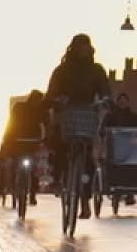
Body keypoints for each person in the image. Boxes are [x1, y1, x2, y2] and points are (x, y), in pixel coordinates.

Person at [44, 35, 114, 217]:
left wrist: (105, 100)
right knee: (61, 146)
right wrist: (55, 99)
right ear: (73, 48)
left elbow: (105, 89)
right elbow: (52, 90)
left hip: (88, 113)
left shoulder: (96, 70)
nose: (83, 49)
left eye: (86, 46)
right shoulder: (62, 70)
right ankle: (59, 178)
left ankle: (84, 199)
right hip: (67, 112)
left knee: (88, 155)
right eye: (80, 46)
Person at [0, 90, 47, 206]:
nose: (38, 102)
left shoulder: (39, 110)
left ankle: (32, 194)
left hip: (31, 142)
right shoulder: (19, 108)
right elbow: (12, 123)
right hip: (18, 142)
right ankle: (14, 186)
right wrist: (8, 139)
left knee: (33, 170)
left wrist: (43, 138)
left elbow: (44, 124)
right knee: (14, 164)